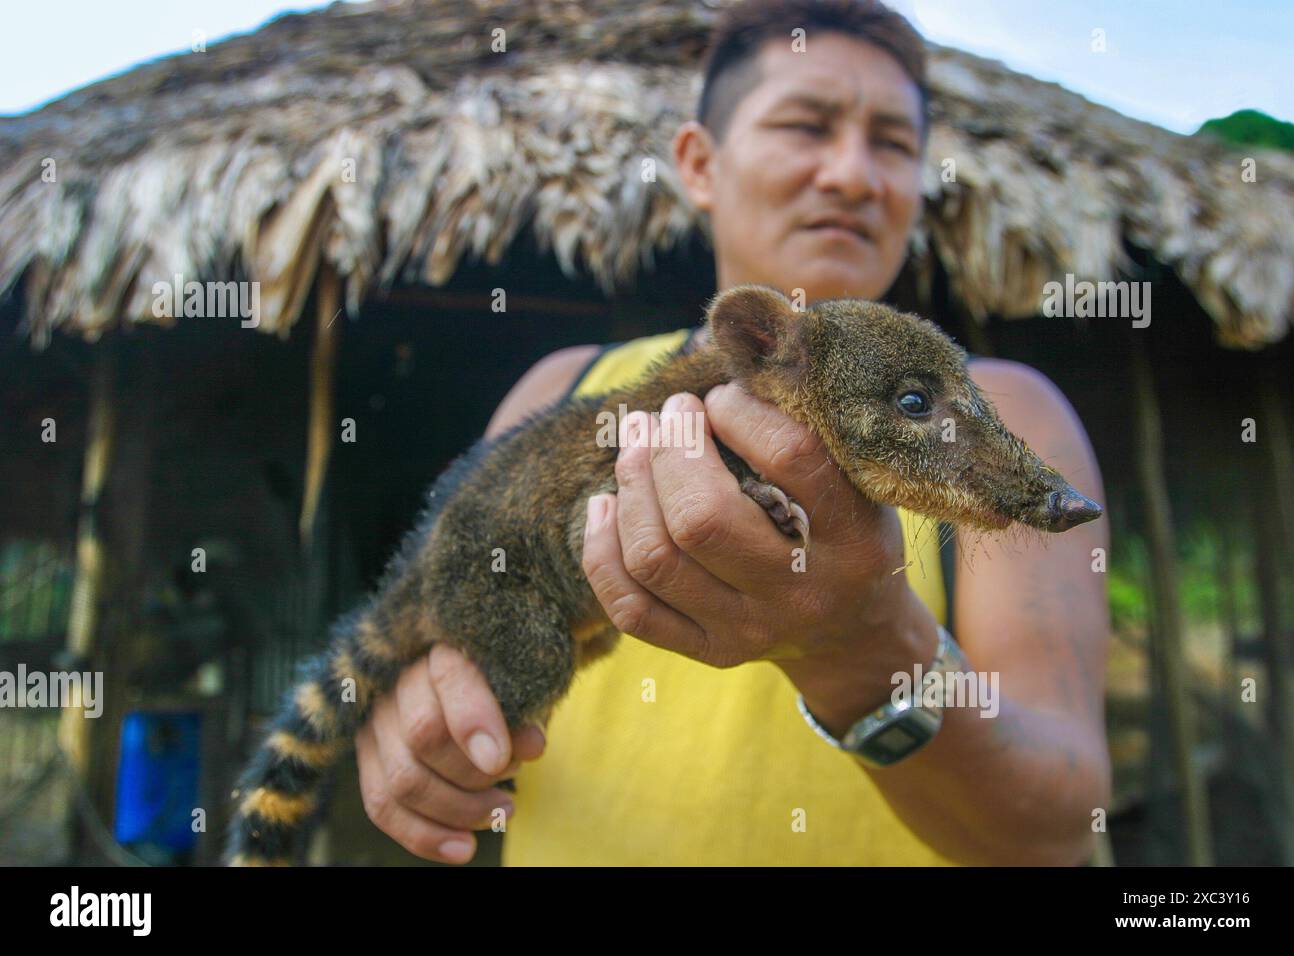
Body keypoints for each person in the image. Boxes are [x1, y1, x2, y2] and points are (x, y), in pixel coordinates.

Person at [355, 0, 1111, 865]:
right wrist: (418, 723)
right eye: (806, 124)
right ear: (699, 165)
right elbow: (455, 633)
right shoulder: (562, 390)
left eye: (895, 144)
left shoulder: (1013, 411)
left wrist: (863, 654)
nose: (854, 175)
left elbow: (1057, 828)